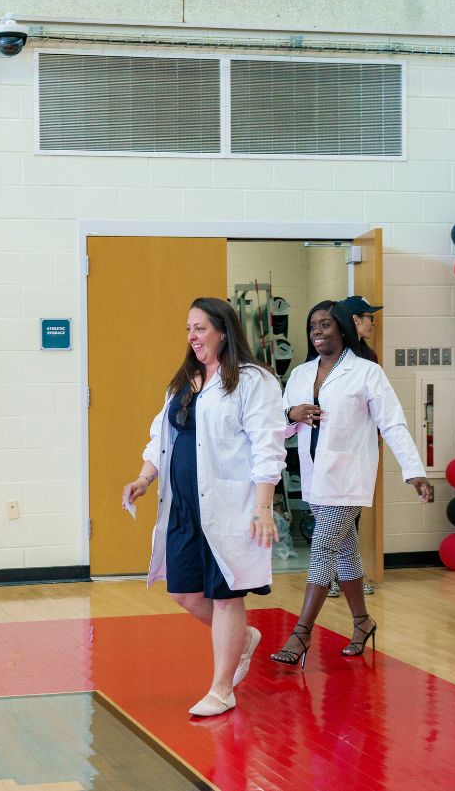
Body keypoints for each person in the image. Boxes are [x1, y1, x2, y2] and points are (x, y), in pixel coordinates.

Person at [123, 297, 286, 717]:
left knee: (225, 594)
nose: (192, 337)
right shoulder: (184, 381)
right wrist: (144, 478)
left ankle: (222, 690)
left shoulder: (253, 380)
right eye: (189, 329)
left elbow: (268, 446)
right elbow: (160, 436)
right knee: (183, 591)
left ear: (223, 331)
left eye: (200, 328)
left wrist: (263, 506)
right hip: (183, 505)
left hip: (230, 505)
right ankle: (243, 639)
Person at [269, 301, 430, 669]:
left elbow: (392, 423)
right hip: (315, 476)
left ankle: (302, 632)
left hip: (349, 476)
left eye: (325, 324)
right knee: (345, 552)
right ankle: (362, 623)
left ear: (341, 328)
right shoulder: (301, 374)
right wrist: (291, 414)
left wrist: (413, 470)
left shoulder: (367, 372)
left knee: (323, 547)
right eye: (313, 325)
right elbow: (279, 425)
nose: (317, 331)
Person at [332, 294, 384, 598]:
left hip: (361, 448)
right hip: (333, 448)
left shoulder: (369, 358)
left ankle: (348, 575)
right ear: (354, 320)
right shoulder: (330, 357)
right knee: (331, 513)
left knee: (353, 512)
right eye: (369, 317)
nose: (373, 323)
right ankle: (330, 575)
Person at [340, 295, 381, 364]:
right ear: (356, 320)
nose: (373, 323)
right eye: (371, 317)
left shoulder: (369, 355)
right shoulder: (336, 353)